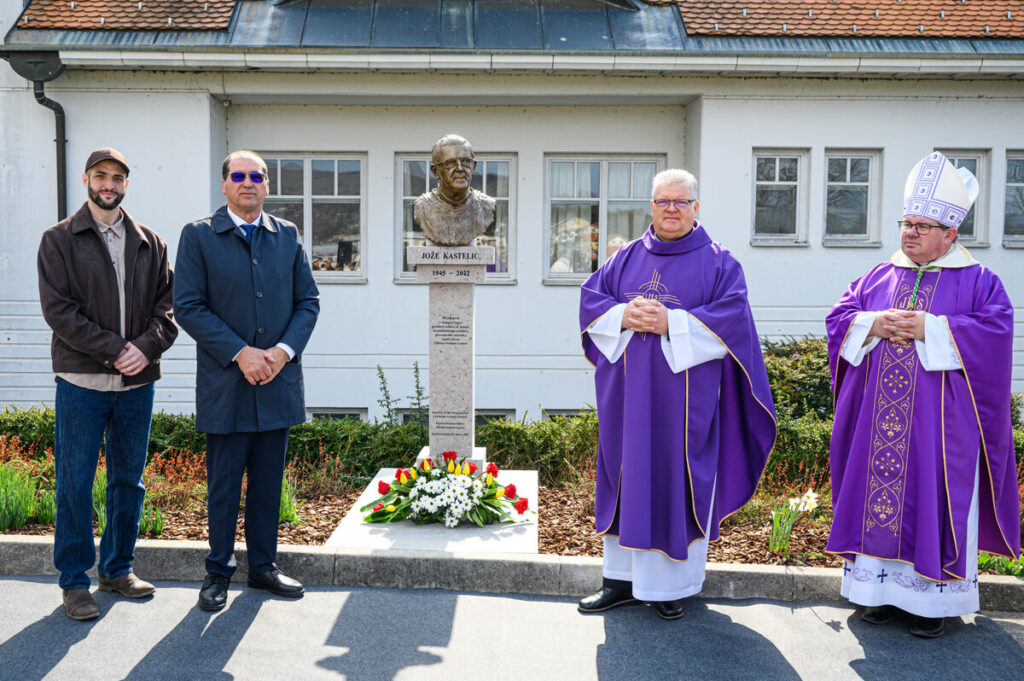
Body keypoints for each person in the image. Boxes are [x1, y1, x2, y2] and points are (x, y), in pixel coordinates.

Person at [826, 151, 1020, 638]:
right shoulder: (878, 276)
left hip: (941, 429)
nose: (910, 233)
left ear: (950, 234)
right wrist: (873, 323)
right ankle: (876, 595)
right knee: (875, 493)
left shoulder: (979, 282)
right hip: (877, 424)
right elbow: (838, 319)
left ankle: (930, 604)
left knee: (932, 498)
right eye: (906, 224)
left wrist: (932, 329)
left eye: (922, 226)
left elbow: (995, 337)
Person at [577, 169, 776, 619]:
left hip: (684, 406)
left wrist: (674, 323)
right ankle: (619, 582)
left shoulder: (719, 263)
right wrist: (622, 315)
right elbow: (591, 302)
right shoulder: (625, 257)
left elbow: (734, 319)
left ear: (695, 208)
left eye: (680, 201)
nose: (671, 209)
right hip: (626, 401)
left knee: (673, 480)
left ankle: (668, 588)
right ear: (650, 207)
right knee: (624, 477)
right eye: (663, 201)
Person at [174, 150, 320, 612]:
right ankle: (218, 573)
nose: (247, 183)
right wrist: (242, 353)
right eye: (238, 175)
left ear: (267, 185)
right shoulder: (199, 235)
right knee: (223, 487)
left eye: (256, 176)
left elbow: (308, 302)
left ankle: (263, 568)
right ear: (224, 185)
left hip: (276, 381)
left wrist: (281, 352)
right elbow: (188, 306)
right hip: (226, 385)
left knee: (267, 485)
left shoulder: (287, 235)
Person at [37, 147, 177, 620]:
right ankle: (75, 582)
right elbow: (60, 313)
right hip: (82, 381)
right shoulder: (58, 240)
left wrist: (146, 348)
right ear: (86, 180)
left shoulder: (150, 242)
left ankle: (117, 568)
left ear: (126, 184)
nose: (109, 184)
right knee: (75, 483)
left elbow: (167, 312)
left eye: (117, 177)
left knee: (128, 481)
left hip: (137, 383)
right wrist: (115, 349)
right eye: (101, 176)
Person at [413, 134, 495, 246]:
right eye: (450, 163)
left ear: (473, 166)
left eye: (466, 161)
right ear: (435, 171)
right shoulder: (422, 207)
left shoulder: (486, 206)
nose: (460, 168)